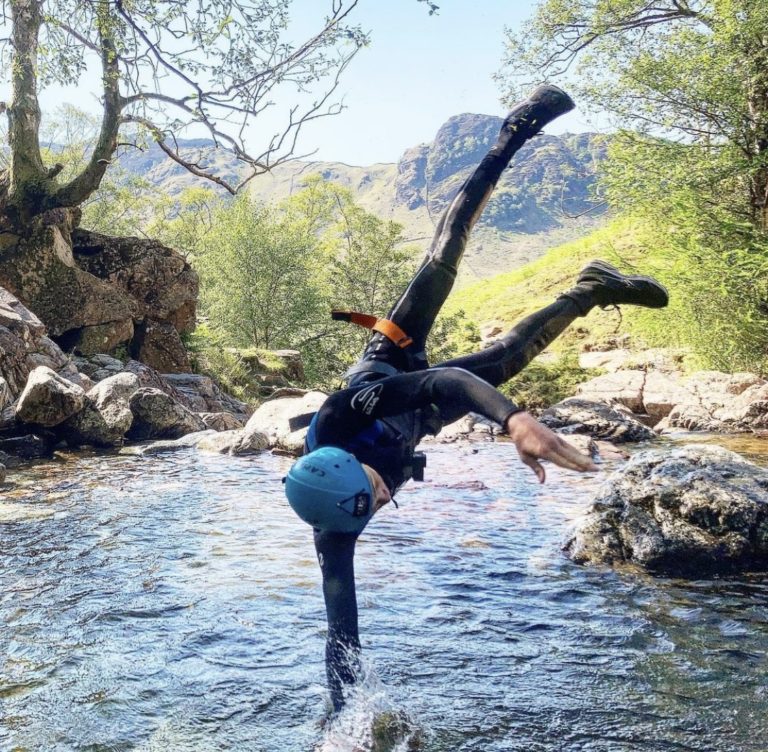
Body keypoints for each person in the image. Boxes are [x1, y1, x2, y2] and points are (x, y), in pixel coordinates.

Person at [283, 85, 668, 713]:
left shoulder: (338, 417)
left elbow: (439, 382)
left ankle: (514, 131)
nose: (387, 499)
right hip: (422, 419)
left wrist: (515, 419)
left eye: (377, 490)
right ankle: (593, 289)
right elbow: (341, 632)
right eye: (375, 505)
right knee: (514, 355)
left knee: (446, 251)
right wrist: (340, 719)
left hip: (393, 365)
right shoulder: (336, 523)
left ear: (350, 466)